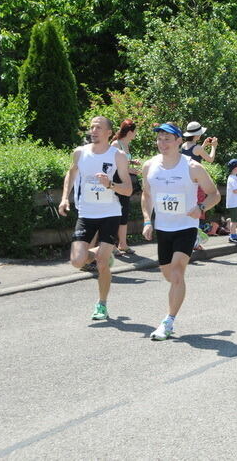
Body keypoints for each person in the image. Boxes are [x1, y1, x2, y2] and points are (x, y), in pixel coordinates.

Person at [141, 123, 221, 340]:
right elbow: (146, 195)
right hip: (163, 228)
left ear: (179, 141)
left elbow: (214, 194)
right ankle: (174, 301)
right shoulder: (150, 166)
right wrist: (148, 221)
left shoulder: (192, 167)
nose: (162, 143)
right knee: (168, 274)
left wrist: (202, 208)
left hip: (186, 227)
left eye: (168, 138)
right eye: (159, 139)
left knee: (176, 273)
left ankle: (168, 321)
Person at [58, 116, 132, 320]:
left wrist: (110, 185)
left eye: (99, 127)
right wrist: (65, 198)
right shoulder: (79, 153)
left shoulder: (117, 156)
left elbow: (128, 189)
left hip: (110, 213)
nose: (94, 130)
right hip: (86, 213)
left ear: (109, 132)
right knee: (77, 261)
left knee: (101, 263)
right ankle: (104, 254)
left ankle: (102, 304)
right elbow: (71, 173)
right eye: (92, 127)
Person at [110, 119, 140, 256]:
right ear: (130, 132)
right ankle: (111, 246)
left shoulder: (125, 144)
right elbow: (113, 165)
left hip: (126, 184)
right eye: (135, 131)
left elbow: (123, 161)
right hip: (117, 183)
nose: (136, 134)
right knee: (114, 214)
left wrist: (132, 162)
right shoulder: (116, 144)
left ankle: (123, 244)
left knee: (124, 214)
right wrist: (130, 170)